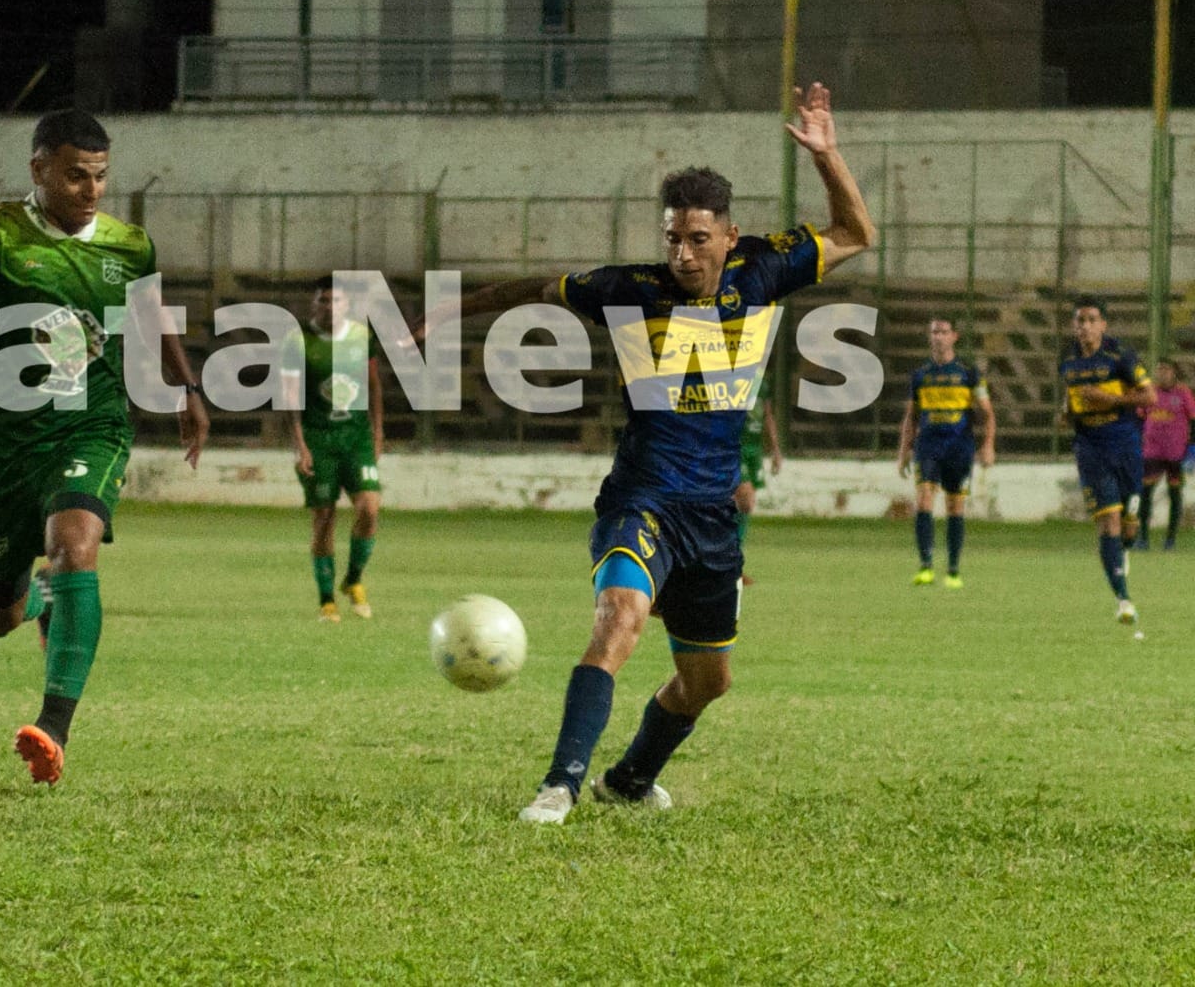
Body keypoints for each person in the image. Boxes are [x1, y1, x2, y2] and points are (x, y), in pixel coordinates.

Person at [414, 83, 875, 824]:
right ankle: (559, 783)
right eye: (672, 237)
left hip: (713, 519)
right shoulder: (627, 290)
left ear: (729, 236)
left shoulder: (764, 271)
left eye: (698, 238)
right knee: (619, 618)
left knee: (707, 682)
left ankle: (627, 780)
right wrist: (444, 310)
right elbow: (533, 286)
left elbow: (856, 231)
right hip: (642, 499)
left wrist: (827, 154)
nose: (683, 253)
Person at [0, 109, 209, 786]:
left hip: (91, 424)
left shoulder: (130, 245)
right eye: (76, 175)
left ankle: (53, 728)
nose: (91, 189)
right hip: (1, 443)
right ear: (38, 169)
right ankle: (41, 598)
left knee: (75, 543)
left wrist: (187, 387)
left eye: (101, 177)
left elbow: (150, 312)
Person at [281, 276, 384, 622]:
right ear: (315, 304)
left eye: (336, 301)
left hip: (355, 438)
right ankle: (327, 600)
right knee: (323, 518)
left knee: (369, 508)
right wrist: (300, 445)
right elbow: (290, 397)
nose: (329, 307)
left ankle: (353, 579)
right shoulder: (298, 341)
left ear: (347, 305)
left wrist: (378, 432)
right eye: (323, 301)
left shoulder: (361, 337)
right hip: (318, 438)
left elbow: (374, 385)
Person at [1058, 295, 1154, 625]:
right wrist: (1066, 412)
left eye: (1091, 320)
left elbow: (1150, 396)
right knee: (1107, 520)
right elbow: (1069, 398)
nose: (1084, 326)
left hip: (1125, 443)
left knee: (1130, 521)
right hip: (1090, 448)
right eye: (1079, 320)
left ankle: (1124, 550)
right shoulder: (1067, 359)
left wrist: (1109, 398)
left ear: (1103, 324)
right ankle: (1123, 599)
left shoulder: (1120, 356)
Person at [895, 318, 996, 588]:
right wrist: (903, 450)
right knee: (924, 498)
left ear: (955, 336)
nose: (938, 337)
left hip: (958, 448)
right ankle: (926, 565)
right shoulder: (921, 375)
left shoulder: (968, 373)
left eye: (943, 332)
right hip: (928, 446)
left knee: (954, 504)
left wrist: (988, 446)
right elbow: (911, 416)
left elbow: (987, 414)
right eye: (934, 332)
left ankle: (952, 570)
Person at [1135, 358, 1195, 551]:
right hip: (1152, 452)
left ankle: (1170, 540)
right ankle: (1142, 538)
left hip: (1176, 454)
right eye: (1159, 369)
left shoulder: (1183, 393)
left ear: (1174, 372)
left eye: (1166, 369)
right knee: (1145, 494)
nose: (1162, 373)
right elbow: (1139, 416)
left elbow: (1193, 418)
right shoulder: (1150, 391)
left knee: (1174, 494)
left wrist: (1190, 447)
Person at [734, 382, 781, 585]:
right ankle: (729, 564)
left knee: (744, 508)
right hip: (736, 446)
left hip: (755, 449)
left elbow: (768, 416)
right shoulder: (729, 377)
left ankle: (733, 565)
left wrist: (775, 449)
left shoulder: (762, 380)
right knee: (745, 502)